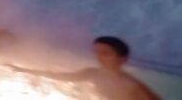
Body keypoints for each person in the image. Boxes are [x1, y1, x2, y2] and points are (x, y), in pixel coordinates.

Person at [10, 37, 161, 100]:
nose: (99, 57)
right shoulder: (93, 74)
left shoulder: (130, 85)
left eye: (105, 53)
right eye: (96, 52)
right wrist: (25, 70)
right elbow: (61, 76)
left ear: (122, 59)